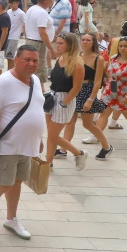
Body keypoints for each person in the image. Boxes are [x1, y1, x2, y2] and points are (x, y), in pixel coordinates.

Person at [0, 45, 45, 239]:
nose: (31, 64)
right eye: (27, 59)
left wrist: (39, 138)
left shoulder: (36, 80)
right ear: (16, 59)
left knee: (17, 181)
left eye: (35, 60)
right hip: (7, 144)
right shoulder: (2, 83)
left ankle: (11, 218)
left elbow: (37, 109)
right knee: (4, 183)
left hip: (27, 145)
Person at [62, 33, 111, 157]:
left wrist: (91, 99)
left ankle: (107, 147)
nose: (84, 42)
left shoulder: (98, 59)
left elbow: (98, 81)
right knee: (70, 121)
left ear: (93, 42)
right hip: (75, 89)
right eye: (83, 40)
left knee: (87, 124)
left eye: (88, 40)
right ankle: (63, 149)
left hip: (88, 90)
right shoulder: (77, 56)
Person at [44, 33, 88, 167]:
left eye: (61, 43)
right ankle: (48, 162)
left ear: (70, 45)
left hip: (65, 99)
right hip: (53, 96)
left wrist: (64, 102)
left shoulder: (77, 63)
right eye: (57, 43)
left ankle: (79, 153)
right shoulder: (59, 58)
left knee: (52, 135)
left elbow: (77, 87)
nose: (58, 45)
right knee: (51, 134)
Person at [96, 36, 127, 139]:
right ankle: (96, 136)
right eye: (121, 46)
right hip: (110, 90)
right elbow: (109, 73)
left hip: (124, 93)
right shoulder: (114, 57)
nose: (122, 48)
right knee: (103, 113)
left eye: (126, 46)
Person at [24, 0, 55, 90]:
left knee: (34, 67)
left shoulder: (31, 9)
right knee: (39, 67)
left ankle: (40, 89)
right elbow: (42, 32)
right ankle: (39, 90)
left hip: (31, 40)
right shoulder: (41, 13)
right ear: (46, 0)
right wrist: (51, 49)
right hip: (38, 43)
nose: (52, 2)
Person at [4, 0, 26, 69]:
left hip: (14, 38)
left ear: (17, 3)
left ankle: (10, 72)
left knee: (10, 57)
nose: (11, 5)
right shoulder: (8, 12)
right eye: (10, 3)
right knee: (6, 57)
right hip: (6, 36)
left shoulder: (21, 13)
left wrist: (24, 34)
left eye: (12, 3)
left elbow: (25, 24)